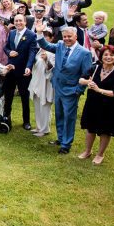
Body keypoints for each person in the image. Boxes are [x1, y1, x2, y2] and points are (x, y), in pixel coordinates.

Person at [35, 24, 93, 154]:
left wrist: (78, 90)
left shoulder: (85, 53)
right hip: (58, 87)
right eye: (65, 36)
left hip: (71, 90)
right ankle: (60, 138)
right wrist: (39, 33)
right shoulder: (60, 45)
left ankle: (66, 144)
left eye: (69, 36)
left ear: (76, 36)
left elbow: (86, 74)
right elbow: (46, 46)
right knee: (59, 114)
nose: (66, 39)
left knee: (69, 117)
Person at [78, 45, 114, 165]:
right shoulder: (95, 68)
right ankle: (88, 151)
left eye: (111, 55)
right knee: (90, 128)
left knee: (105, 131)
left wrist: (99, 90)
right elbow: (80, 80)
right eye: (106, 55)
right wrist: (88, 81)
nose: (108, 57)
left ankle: (100, 154)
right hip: (92, 103)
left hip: (108, 106)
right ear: (101, 57)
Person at [1, 14, 38, 130]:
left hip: (23, 71)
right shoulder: (11, 33)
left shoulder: (31, 35)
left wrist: (29, 66)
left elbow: (32, 52)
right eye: (16, 21)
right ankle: (6, 117)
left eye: (20, 21)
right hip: (10, 69)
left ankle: (26, 121)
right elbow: (5, 47)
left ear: (25, 22)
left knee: (24, 96)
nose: (18, 23)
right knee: (8, 95)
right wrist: (9, 52)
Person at [29, 29, 55, 137]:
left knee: (44, 105)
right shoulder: (39, 50)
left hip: (46, 82)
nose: (44, 38)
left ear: (51, 38)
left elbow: (52, 68)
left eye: (46, 36)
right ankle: (39, 126)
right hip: (36, 80)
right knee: (37, 103)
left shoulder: (53, 52)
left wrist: (46, 60)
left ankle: (45, 129)